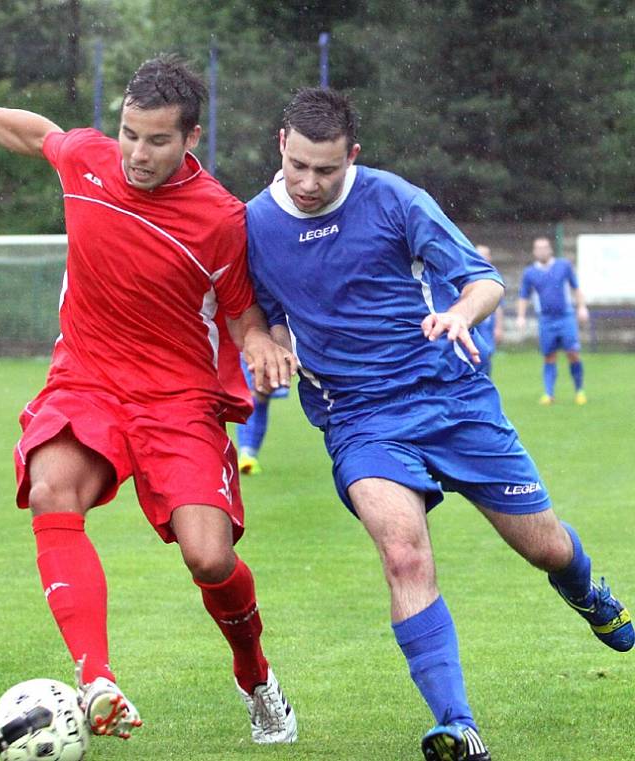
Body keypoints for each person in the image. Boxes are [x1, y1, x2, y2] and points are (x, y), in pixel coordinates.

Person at [0, 57, 298, 746]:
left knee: (210, 558)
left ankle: (257, 677)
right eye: (128, 134)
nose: (137, 154)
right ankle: (97, 679)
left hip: (178, 400)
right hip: (88, 379)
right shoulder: (88, 161)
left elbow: (241, 315)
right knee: (52, 489)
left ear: (191, 138)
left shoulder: (221, 219)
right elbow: (39, 136)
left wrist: (261, 344)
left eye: (156, 141)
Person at [245, 87, 632, 761]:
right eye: (299, 164)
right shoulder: (253, 223)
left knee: (543, 546)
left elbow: (483, 280)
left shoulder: (394, 199)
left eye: (326, 170)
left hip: (451, 396)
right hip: (359, 417)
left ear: (352, 158)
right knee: (404, 553)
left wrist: (459, 315)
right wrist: (270, 338)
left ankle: (589, 591)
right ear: (281, 143)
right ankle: (458, 724)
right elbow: (261, 306)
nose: (309, 182)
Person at [516, 236, 590, 405]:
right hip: (546, 320)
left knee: (573, 353)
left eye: (544, 247)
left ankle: (579, 390)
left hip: (565, 316)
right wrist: (521, 316)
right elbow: (523, 297)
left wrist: (582, 307)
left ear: (550, 249)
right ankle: (549, 394)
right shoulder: (530, 273)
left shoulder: (563, 266)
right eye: (538, 248)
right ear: (534, 252)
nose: (541, 251)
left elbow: (576, 288)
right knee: (549, 356)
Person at [235, 355, 289, 475]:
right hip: (244, 344)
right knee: (256, 395)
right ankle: (247, 454)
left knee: (259, 395)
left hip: (267, 344)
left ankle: (248, 454)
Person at [473, 245, 504, 377]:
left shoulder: (493, 276)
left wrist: (498, 327)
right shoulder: (467, 272)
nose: (482, 257)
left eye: (484, 254)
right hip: (472, 320)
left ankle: (485, 381)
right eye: (479, 254)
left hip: (487, 323)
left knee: (486, 353)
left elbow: (499, 305)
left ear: (489, 257)